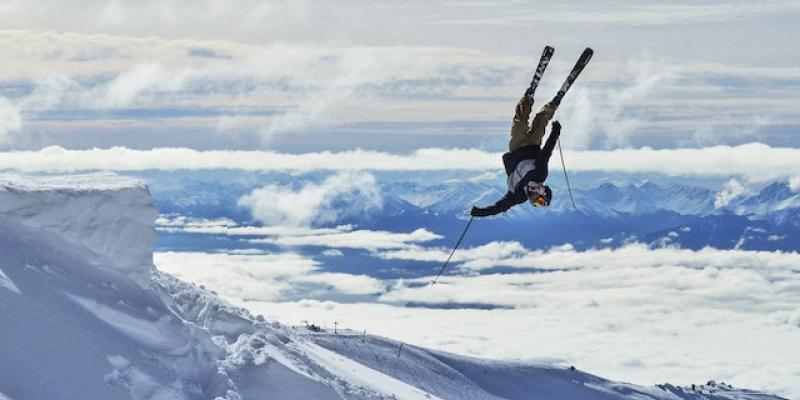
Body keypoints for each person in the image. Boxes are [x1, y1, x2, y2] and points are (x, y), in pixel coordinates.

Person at [470, 91, 562, 217]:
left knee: (520, 122)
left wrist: (481, 213)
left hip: (517, 148)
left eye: (537, 204)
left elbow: (501, 206)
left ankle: (527, 98)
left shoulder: (518, 195)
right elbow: (546, 153)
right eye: (539, 201)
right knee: (541, 121)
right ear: (543, 192)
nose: (534, 202)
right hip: (532, 145)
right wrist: (555, 133)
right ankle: (553, 105)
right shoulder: (540, 175)